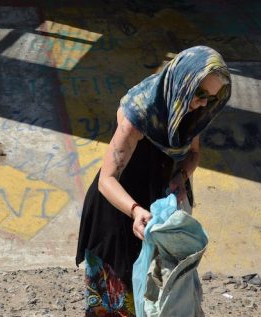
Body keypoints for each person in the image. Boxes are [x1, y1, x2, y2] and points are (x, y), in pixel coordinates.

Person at [75, 45, 231, 316]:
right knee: (116, 299)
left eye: (212, 98)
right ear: (183, 83)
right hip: (121, 210)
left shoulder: (190, 110)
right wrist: (135, 211)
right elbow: (106, 179)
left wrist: (181, 178)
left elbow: (193, 153)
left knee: (159, 295)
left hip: (159, 208)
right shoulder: (140, 115)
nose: (204, 103)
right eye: (201, 94)